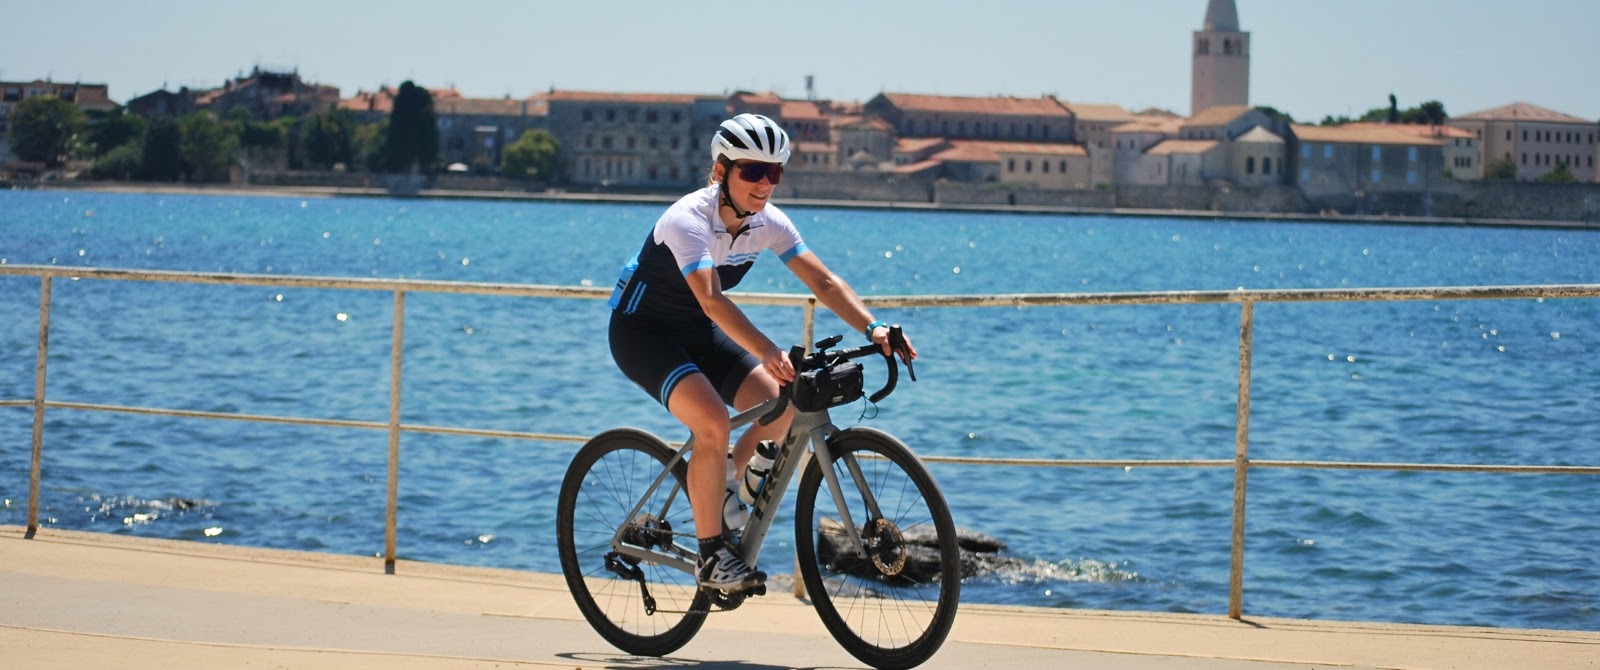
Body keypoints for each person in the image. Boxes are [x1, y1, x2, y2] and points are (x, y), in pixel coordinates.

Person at [606, 113, 917, 592]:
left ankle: (728, 477)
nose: (764, 183)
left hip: (697, 330)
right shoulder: (688, 218)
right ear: (720, 171)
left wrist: (874, 326)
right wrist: (769, 349)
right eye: (752, 171)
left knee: (788, 401)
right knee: (710, 420)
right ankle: (712, 558)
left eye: (775, 173)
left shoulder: (767, 223)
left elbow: (823, 281)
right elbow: (712, 299)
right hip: (642, 333)